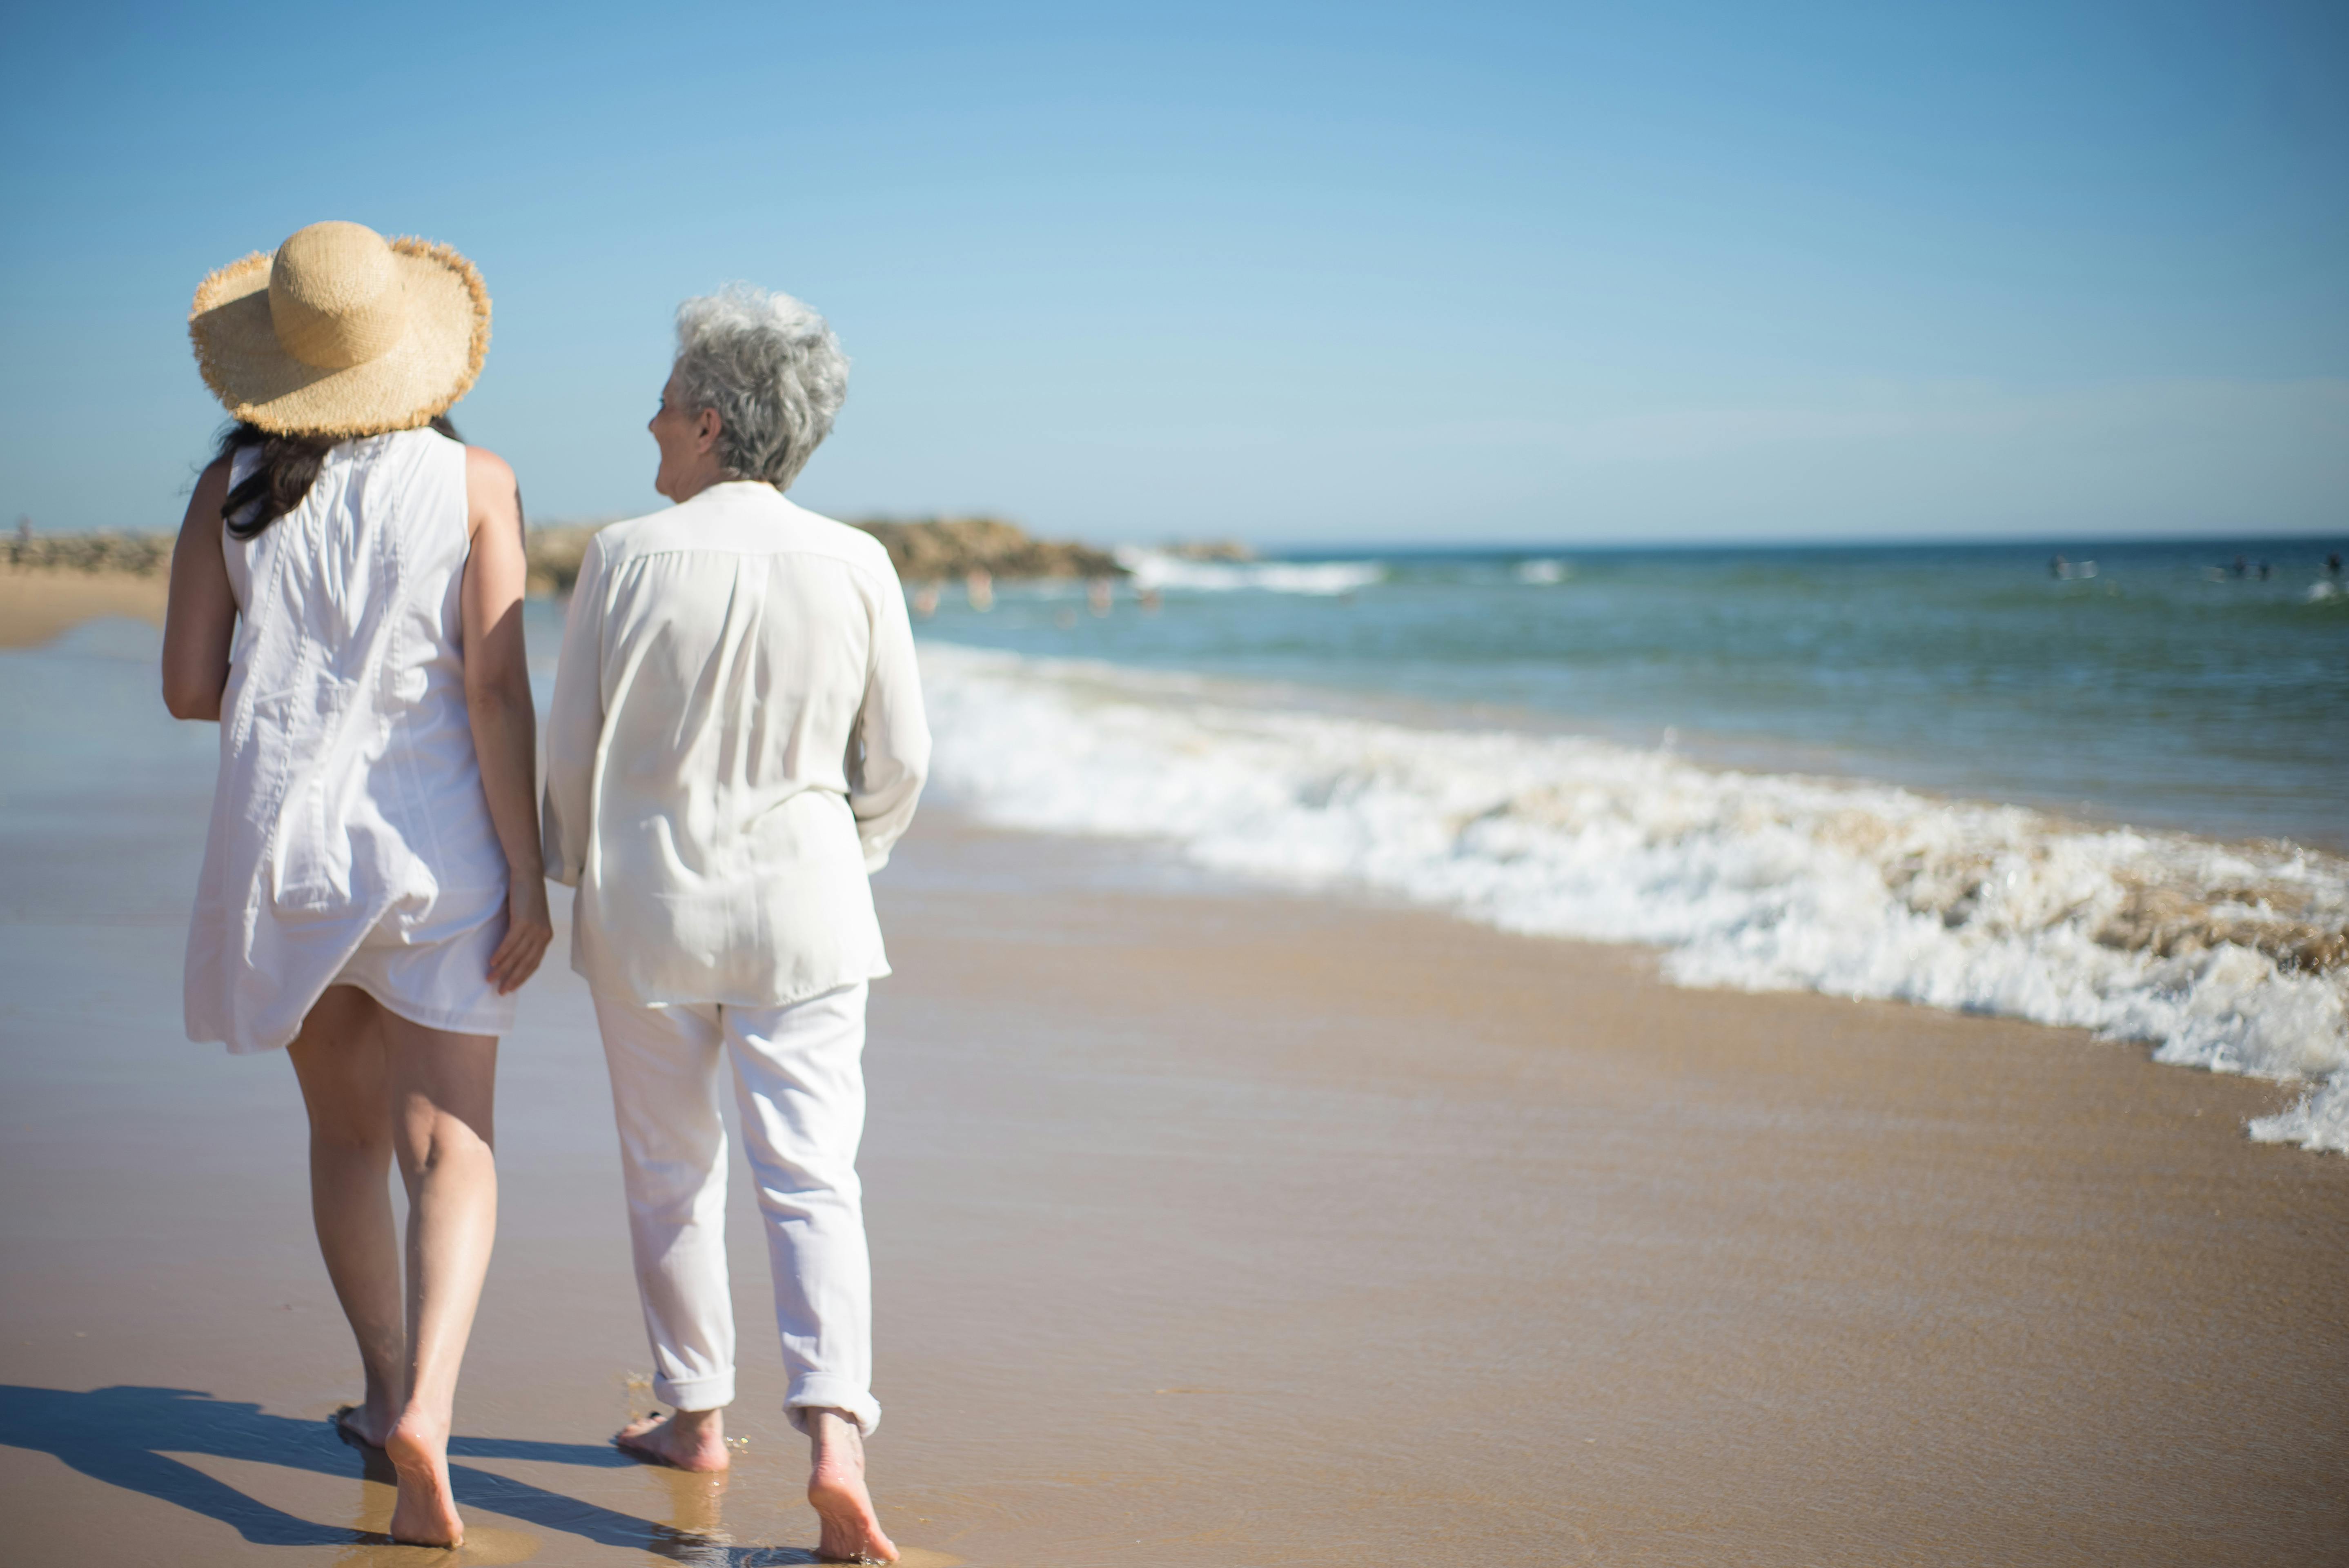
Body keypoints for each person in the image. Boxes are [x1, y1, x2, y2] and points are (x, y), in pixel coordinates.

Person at [163, 221, 551, 1548]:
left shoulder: (231, 492)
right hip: (438, 843)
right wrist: (532, 876)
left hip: (291, 850)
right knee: (450, 1143)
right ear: (415, 352)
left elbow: (184, 689)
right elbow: (495, 685)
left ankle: (383, 1385)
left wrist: (294, 694)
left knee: (342, 1136)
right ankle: (430, 1408)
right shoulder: (477, 480)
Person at [543, 285, 929, 1565]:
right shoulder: (859, 560)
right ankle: (836, 1444)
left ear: (708, 423)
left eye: (662, 407)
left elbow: (570, 750)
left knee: (672, 1174)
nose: (648, 428)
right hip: (810, 908)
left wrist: (565, 869)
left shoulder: (623, 554)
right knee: (813, 1177)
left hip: (648, 905)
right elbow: (902, 761)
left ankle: (697, 1416)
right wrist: (844, 852)